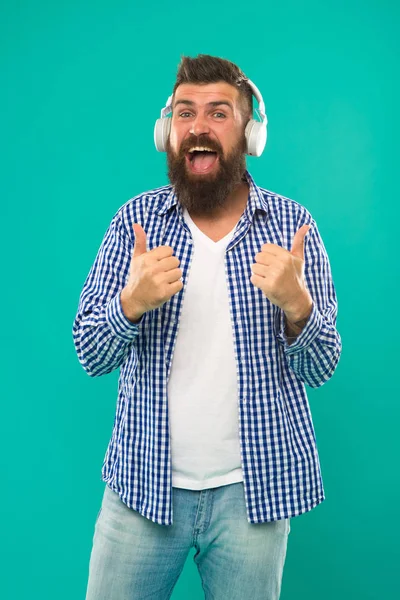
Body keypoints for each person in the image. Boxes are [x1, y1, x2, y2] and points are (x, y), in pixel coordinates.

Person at [73, 54, 342, 600]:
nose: (198, 126)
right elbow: (89, 352)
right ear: (167, 132)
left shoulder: (294, 226)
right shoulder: (134, 223)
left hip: (253, 496)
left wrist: (298, 308)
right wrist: (130, 303)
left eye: (219, 113)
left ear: (250, 132)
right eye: (184, 113)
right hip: (141, 490)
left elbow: (323, 366)